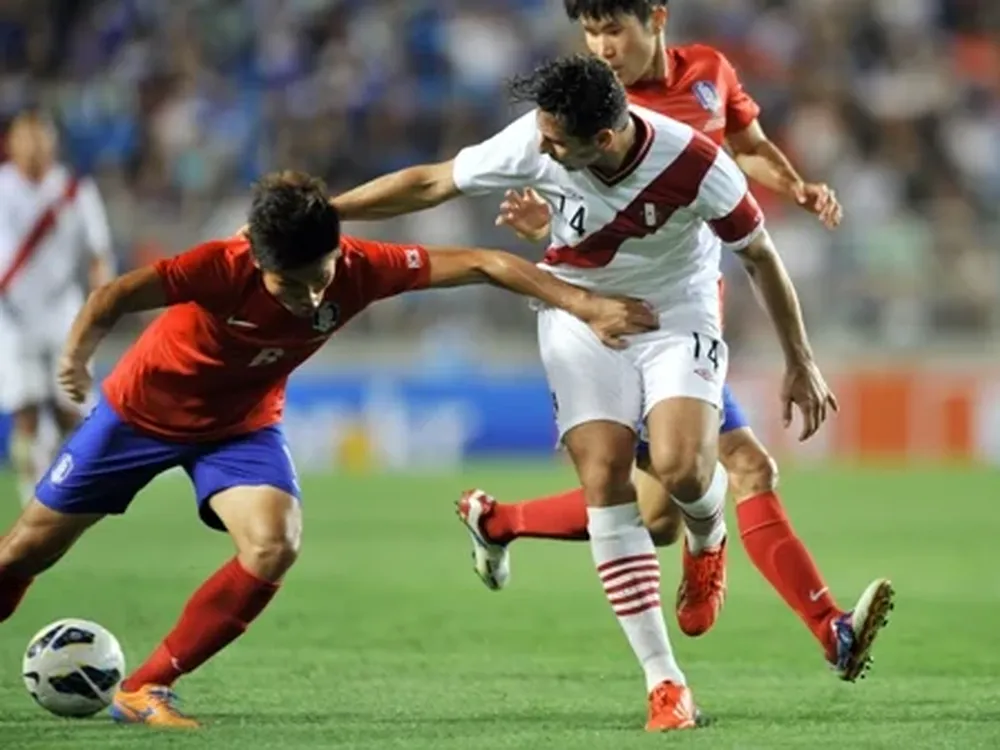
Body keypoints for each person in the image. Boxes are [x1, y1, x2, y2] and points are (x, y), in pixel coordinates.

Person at [0, 170, 655, 729]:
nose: (315, 296)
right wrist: (76, 359)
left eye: (323, 276)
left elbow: (484, 263)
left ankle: (146, 687)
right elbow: (114, 295)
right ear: (256, 259)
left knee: (273, 543)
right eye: (295, 285)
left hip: (241, 428)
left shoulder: (362, 267)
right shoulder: (217, 268)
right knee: (28, 548)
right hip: (138, 416)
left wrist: (582, 303)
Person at [331, 54, 835, 731]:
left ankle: (707, 535)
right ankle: (665, 685)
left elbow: (760, 255)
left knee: (686, 470)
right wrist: (325, 213)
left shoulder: (696, 165)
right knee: (605, 477)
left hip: (675, 315)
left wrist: (800, 360)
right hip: (576, 310)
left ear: (603, 140)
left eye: (553, 141)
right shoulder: (535, 140)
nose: (539, 146)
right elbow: (430, 182)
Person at [459, 0, 893, 684]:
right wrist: (545, 222)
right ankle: (831, 628)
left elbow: (744, 149)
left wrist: (797, 186)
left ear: (656, 17)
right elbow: (569, 207)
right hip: (621, 323)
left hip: (689, 319)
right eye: (590, 30)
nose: (600, 45)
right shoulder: (596, 112)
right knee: (736, 473)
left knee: (660, 510)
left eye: (612, 27)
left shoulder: (708, 74)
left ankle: (500, 520)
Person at [0, 110, 114, 506]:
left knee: (71, 409)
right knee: (25, 408)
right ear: (11, 142)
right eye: (26, 137)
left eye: (41, 137)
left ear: (53, 142)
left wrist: (102, 306)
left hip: (64, 311)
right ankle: (33, 493)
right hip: (9, 315)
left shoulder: (74, 190)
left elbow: (98, 253)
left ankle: (63, 477)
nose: (33, 146)